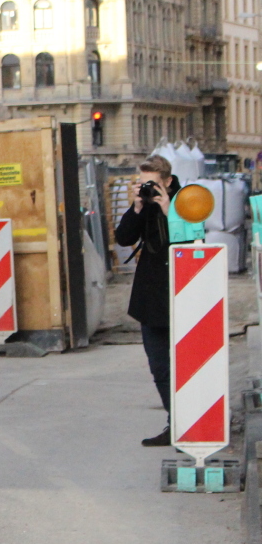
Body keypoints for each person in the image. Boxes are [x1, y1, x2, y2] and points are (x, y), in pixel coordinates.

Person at [114, 155, 181, 447]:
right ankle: (175, 422)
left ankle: (191, 423)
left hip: (182, 297)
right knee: (159, 367)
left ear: (166, 181)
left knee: (188, 365)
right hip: (151, 299)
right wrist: (138, 206)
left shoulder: (186, 201)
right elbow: (123, 237)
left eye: (151, 184)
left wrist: (167, 210)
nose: (147, 189)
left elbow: (188, 245)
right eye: (142, 183)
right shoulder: (144, 203)